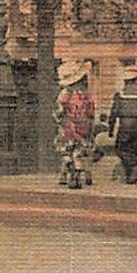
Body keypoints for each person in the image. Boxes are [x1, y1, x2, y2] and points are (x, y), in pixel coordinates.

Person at [53, 60, 96, 190]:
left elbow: (58, 112)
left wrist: (59, 121)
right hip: (84, 128)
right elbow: (91, 112)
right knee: (79, 153)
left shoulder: (65, 94)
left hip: (68, 127)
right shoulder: (87, 95)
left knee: (66, 152)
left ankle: (72, 174)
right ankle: (77, 174)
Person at [106, 65, 137, 184]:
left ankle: (132, 167)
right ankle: (130, 175)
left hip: (126, 125)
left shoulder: (120, 94)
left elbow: (114, 113)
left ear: (125, 81)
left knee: (120, 148)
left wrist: (110, 129)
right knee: (133, 148)